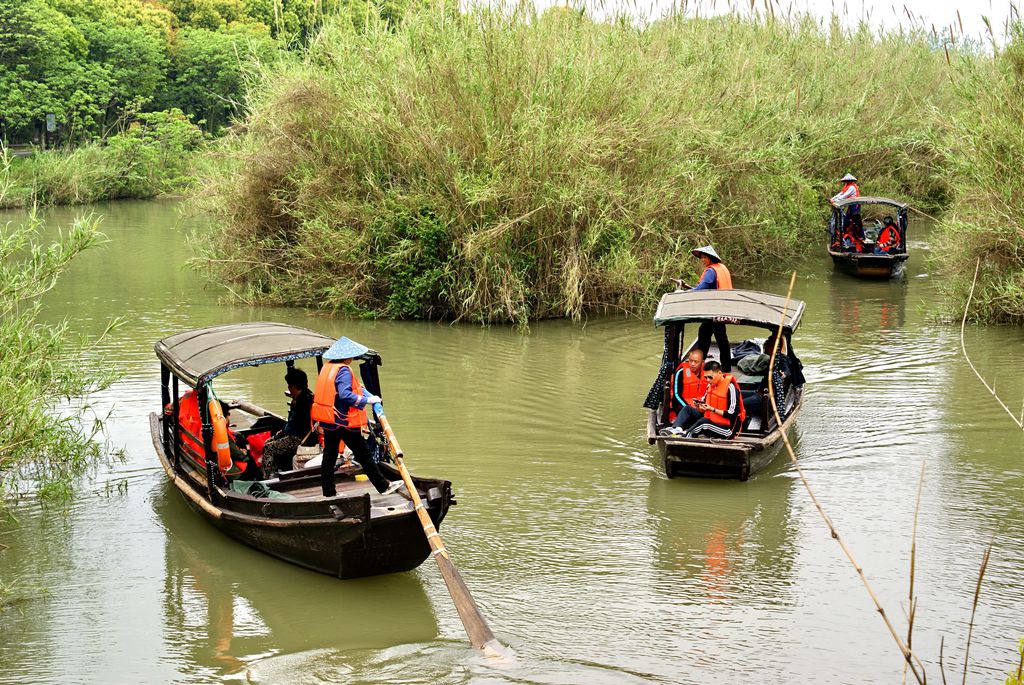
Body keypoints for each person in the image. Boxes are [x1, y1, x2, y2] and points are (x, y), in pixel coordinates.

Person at [311, 336, 401, 498]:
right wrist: (368, 400)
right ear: (347, 356)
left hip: (330, 420)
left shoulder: (328, 368)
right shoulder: (344, 370)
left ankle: (328, 492)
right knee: (363, 454)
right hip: (343, 420)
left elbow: (352, 388)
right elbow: (345, 395)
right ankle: (383, 486)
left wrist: (366, 394)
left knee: (329, 456)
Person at [261, 368, 316, 478]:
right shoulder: (300, 398)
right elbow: (290, 425)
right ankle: (276, 470)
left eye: (290, 386)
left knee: (269, 447)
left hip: (299, 438)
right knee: (269, 441)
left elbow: (294, 427)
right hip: (293, 434)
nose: (288, 389)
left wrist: (281, 434)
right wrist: (279, 435)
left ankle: (268, 478)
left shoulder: (304, 401)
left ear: (294, 386)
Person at [690, 245, 732, 373]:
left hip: (714, 310)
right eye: (701, 258)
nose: (702, 260)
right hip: (722, 308)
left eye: (704, 257)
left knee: (714, 337)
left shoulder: (711, 271)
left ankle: (722, 367)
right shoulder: (722, 268)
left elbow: (702, 288)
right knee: (708, 334)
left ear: (710, 258)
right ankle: (724, 366)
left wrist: (686, 292)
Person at [685, 360, 745, 439]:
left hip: (727, 430)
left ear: (719, 373)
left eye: (710, 377)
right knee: (688, 409)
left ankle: (685, 436)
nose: (708, 380)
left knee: (704, 423)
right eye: (706, 377)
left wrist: (712, 409)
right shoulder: (710, 386)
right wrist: (699, 407)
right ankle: (676, 429)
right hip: (712, 421)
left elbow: (733, 413)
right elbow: (705, 406)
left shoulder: (731, 388)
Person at [741, 331, 789, 424]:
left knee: (738, 404)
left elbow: (786, 370)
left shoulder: (778, 362)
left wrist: (784, 373)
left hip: (761, 399)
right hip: (758, 392)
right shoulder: (770, 362)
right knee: (737, 393)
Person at [662, 349, 709, 434]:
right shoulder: (681, 372)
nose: (692, 364)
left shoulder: (707, 374)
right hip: (682, 406)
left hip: (700, 407)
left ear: (702, 362)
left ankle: (685, 431)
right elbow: (676, 395)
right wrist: (687, 408)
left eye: (696, 362)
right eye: (691, 361)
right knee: (687, 413)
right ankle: (678, 429)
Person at [831, 173, 862, 245]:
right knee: (846, 220)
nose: (846, 182)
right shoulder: (846, 186)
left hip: (855, 205)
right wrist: (833, 198)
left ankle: (860, 236)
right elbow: (841, 193)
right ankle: (845, 234)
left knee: (856, 221)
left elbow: (845, 195)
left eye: (848, 181)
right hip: (850, 204)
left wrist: (836, 200)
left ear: (851, 181)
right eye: (846, 181)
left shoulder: (852, 187)